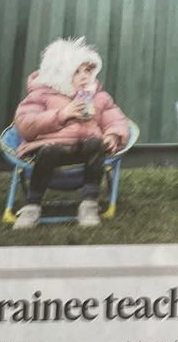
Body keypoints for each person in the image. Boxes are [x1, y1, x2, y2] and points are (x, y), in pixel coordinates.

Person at [12, 37, 129, 229]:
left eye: (88, 71)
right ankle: (32, 206)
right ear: (60, 74)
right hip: (47, 150)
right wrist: (62, 115)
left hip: (85, 151)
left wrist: (113, 135)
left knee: (96, 143)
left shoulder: (99, 96)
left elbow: (115, 119)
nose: (84, 77)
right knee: (51, 150)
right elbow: (25, 123)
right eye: (76, 72)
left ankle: (89, 204)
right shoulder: (41, 95)